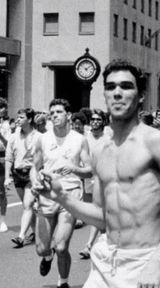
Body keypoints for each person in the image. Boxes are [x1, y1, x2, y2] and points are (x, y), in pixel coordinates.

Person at [34, 59, 160, 288]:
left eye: (126, 86)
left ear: (141, 95)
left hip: (143, 260)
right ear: (104, 94)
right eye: (111, 87)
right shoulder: (101, 149)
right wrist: (61, 196)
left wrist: (158, 260)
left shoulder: (156, 141)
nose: (118, 93)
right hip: (105, 258)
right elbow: (101, 216)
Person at [31, 99, 93, 288]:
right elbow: (35, 167)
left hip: (70, 194)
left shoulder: (79, 139)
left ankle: (63, 282)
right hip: (47, 194)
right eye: (52, 113)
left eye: (59, 112)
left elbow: (90, 170)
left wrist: (74, 168)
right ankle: (47, 257)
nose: (55, 115)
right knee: (42, 249)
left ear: (68, 115)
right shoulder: (43, 139)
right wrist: (34, 180)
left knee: (61, 246)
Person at [5, 108, 41, 247]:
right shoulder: (14, 137)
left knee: (27, 205)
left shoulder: (38, 137)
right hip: (18, 173)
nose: (18, 119)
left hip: (32, 173)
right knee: (29, 207)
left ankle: (21, 236)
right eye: (18, 117)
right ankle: (39, 233)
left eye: (21, 117)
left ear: (29, 119)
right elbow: (9, 158)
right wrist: (7, 176)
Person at [79, 109, 110, 260]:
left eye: (98, 119)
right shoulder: (85, 139)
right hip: (88, 178)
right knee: (92, 213)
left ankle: (89, 245)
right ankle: (106, 240)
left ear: (103, 122)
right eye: (93, 119)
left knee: (98, 210)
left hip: (103, 178)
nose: (95, 122)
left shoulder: (109, 138)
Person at [0, 97, 11, 232]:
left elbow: (8, 144)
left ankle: (2, 220)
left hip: (1, 158)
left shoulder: (7, 126)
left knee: (1, 192)